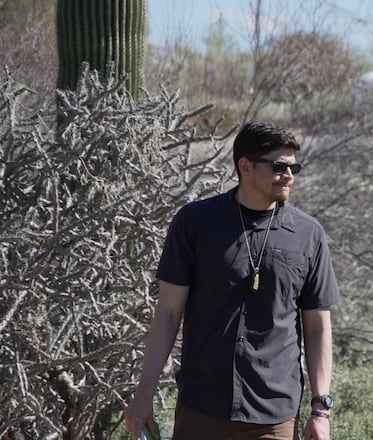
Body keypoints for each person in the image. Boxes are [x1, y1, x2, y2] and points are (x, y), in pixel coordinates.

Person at [124, 122, 341, 440]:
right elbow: (168, 314)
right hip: (202, 408)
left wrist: (321, 411)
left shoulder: (309, 234)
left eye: (294, 167)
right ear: (246, 166)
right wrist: (143, 396)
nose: (289, 175)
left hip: (274, 415)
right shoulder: (195, 223)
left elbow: (317, 326)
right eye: (279, 167)